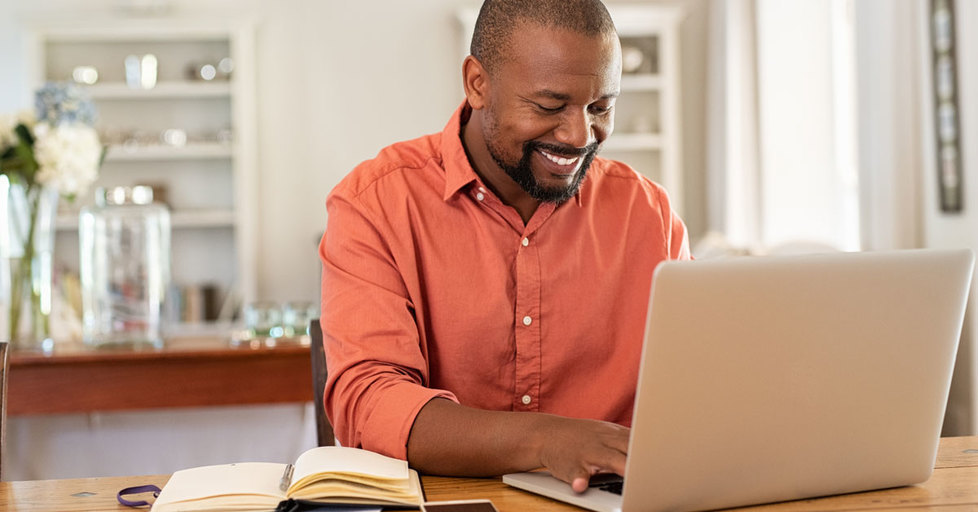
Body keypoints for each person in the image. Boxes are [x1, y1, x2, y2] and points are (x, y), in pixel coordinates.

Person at [319, 0, 690, 493]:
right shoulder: (376, 203)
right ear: (477, 83)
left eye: (601, 107)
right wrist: (545, 441)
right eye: (549, 106)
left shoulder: (649, 214)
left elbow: (695, 387)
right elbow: (370, 403)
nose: (580, 135)